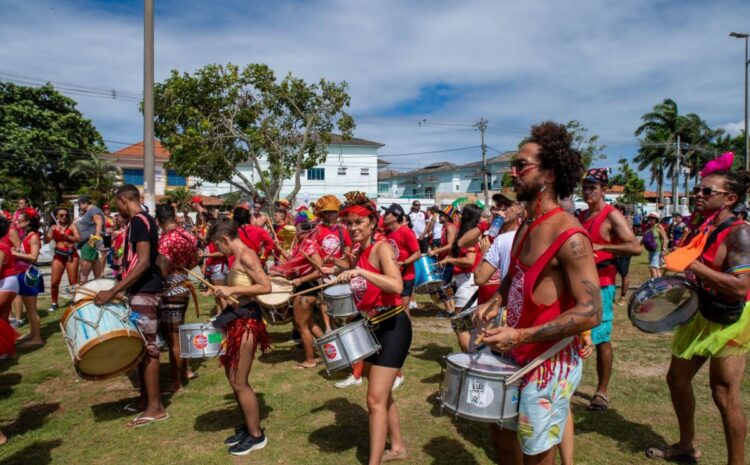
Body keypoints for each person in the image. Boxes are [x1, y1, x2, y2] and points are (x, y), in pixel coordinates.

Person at [475, 121, 601, 464]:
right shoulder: (526, 225)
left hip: (549, 362)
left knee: (536, 454)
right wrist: (496, 299)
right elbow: (515, 274)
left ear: (548, 174)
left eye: (520, 165)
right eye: (513, 165)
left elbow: (591, 311)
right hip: (516, 355)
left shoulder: (570, 235)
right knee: (499, 435)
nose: (512, 172)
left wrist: (521, 334)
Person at [646, 171, 750, 464]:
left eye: (707, 192)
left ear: (730, 199)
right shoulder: (704, 227)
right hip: (701, 311)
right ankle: (688, 445)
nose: (699, 195)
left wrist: (692, 264)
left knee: (724, 394)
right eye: (698, 190)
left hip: (731, 319)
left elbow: (741, 287)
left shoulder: (740, 232)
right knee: (676, 379)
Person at [336, 191, 411, 465]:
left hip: (393, 325)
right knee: (382, 394)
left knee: (374, 400)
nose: (353, 228)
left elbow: (397, 285)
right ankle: (398, 447)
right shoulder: (360, 251)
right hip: (372, 327)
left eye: (359, 223)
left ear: (372, 223)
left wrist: (361, 272)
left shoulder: (381, 247)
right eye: (349, 224)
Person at [94, 184, 166, 427]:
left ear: (124, 200)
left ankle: (155, 408)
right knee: (142, 348)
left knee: (149, 348)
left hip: (145, 291)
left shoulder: (138, 222)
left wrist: (113, 290)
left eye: (118, 204)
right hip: (141, 290)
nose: (117, 209)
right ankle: (145, 399)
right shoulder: (144, 220)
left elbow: (144, 262)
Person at [202, 218, 271, 456]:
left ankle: (256, 436)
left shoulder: (247, 256)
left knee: (240, 381)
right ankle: (248, 426)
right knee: (233, 379)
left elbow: (266, 286)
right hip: (237, 319)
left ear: (225, 239)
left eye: (219, 246)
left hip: (248, 322)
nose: (219, 251)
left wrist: (233, 289)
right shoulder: (237, 257)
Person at [579, 168, 642, 411]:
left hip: (602, 285)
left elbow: (635, 247)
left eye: (592, 187)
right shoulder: (583, 215)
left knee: (602, 339)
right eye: (584, 187)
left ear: (604, 189)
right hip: (580, 284)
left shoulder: (612, 215)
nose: (587, 191)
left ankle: (602, 392)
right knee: (577, 334)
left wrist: (601, 246)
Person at [156, 203, 200, 394]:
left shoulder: (166, 239)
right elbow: (197, 258)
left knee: (172, 338)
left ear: (159, 221)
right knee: (179, 332)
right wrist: (183, 269)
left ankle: (176, 381)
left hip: (171, 290)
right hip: (184, 285)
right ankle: (187, 370)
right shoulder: (188, 235)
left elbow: (163, 267)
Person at [440, 204, 482, 351]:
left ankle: (469, 361)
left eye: (461, 214)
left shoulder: (470, 234)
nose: (458, 216)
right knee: (469, 326)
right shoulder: (469, 233)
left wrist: (449, 260)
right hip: (466, 281)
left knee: (460, 325)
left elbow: (470, 261)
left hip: (468, 283)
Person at [13, 209, 44, 348]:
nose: (17, 222)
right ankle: (33, 333)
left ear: (28, 222)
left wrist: (15, 253)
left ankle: (37, 338)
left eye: (20, 220)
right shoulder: (26, 235)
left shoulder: (33, 237)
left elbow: (33, 257)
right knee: (29, 308)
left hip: (29, 276)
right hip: (23, 274)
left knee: (31, 309)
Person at [44, 207, 80, 312]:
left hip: (71, 255)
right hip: (58, 255)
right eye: (61, 215)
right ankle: (54, 302)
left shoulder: (72, 226)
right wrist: (46, 229)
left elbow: (78, 239)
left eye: (66, 215)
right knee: (54, 282)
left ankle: (76, 301)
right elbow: (46, 241)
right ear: (56, 217)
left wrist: (67, 236)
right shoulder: (54, 227)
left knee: (73, 282)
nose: (64, 217)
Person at [76, 195, 105, 284]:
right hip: (88, 241)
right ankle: (98, 280)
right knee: (94, 260)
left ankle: (83, 280)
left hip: (89, 241)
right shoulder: (91, 211)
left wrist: (96, 237)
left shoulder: (93, 210)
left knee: (86, 260)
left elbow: (99, 222)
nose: (79, 207)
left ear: (83, 203)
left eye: (79, 205)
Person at [643, 212, 668, 278]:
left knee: (652, 267)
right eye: (650, 218)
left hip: (657, 250)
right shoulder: (649, 227)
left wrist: (664, 249)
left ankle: (654, 284)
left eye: (652, 218)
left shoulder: (659, 226)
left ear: (656, 219)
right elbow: (644, 238)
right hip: (650, 250)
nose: (650, 219)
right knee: (656, 268)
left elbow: (664, 238)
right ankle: (659, 284)